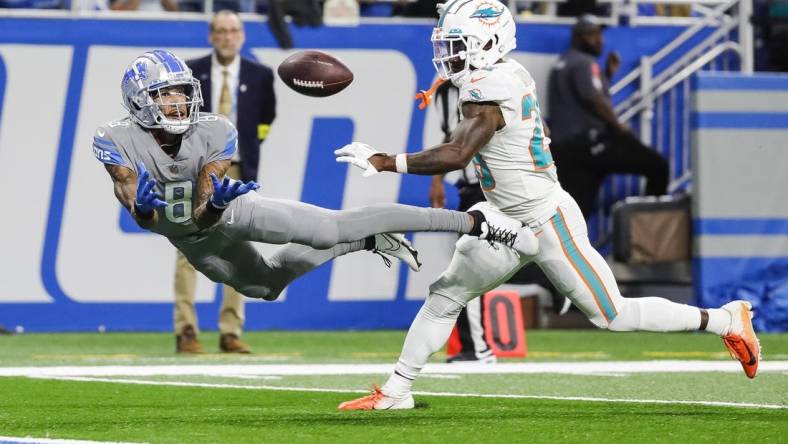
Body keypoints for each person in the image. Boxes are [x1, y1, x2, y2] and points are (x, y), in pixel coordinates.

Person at [334, 0, 760, 410]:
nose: (448, 55)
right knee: (446, 295)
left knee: (612, 314)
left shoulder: (491, 86)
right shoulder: (501, 74)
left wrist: (385, 161)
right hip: (502, 216)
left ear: (489, 43)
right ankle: (395, 391)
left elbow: (457, 154)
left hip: (544, 218)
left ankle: (725, 320)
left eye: (457, 45)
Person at [94, 49, 538, 329]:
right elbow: (143, 212)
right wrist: (146, 213)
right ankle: (367, 240)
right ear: (139, 101)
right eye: (164, 95)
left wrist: (216, 208)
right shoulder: (114, 139)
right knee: (265, 289)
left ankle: (472, 221)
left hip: (231, 211)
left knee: (327, 229)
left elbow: (205, 209)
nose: (177, 103)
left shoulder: (214, 130)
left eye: (179, 92)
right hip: (191, 240)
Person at [170, 10, 276, 354]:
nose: (227, 37)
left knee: (237, 247)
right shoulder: (190, 73)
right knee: (189, 246)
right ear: (211, 36)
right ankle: (186, 330)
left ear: (242, 36)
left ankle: (230, 330)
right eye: (221, 31)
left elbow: (265, 119)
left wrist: (245, 155)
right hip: (196, 169)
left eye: (233, 31)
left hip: (236, 170)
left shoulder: (260, 75)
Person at [547, 14, 669, 219]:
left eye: (599, 34)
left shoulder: (562, 62)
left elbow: (579, 98)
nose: (599, 40)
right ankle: (652, 231)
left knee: (575, 212)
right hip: (590, 143)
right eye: (593, 35)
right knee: (658, 166)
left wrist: (607, 76)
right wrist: (618, 126)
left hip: (564, 150)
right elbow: (593, 99)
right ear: (578, 37)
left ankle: (567, 250)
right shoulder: (586, 63)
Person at [429, 81, 496, 363]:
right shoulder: (447, 91)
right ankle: (474, 347)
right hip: (472, 190)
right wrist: (437, 179)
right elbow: (452, 137)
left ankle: (477, 348)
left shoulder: (502, 82)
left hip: (499, 189)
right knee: (470, 266)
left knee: (469, 269)